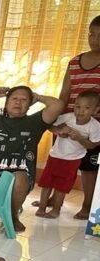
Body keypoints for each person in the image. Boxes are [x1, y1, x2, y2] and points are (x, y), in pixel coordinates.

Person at [0, 86, 64, 232]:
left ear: (30, 104)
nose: (18, 103)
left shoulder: (36, 122)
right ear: (7, 101)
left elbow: (58, 105)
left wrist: (38, 96)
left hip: (18, 177)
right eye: (14, 99)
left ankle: (12, 216)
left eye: (24, 100)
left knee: (19, 178)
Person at [39, 16, 100, 220]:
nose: (95, 39)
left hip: (93, 125)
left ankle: (87, 206)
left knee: (89, 168)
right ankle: (54, 200)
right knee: (61, 162)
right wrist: (59, 120)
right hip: (70, 121)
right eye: (92, 34)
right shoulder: (75, 62)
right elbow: (65, 92)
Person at [36, 91, 100, 219]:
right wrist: (59, 131)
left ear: (95, 110)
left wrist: (79, 138)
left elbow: (92, 145)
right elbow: (50, 126)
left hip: (72, 160)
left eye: (86, 108)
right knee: (46, 183)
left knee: (61, 186)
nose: (80, 111)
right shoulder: (67, 117)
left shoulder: (95, 126)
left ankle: (56, 209)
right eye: (77, 106)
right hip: (55, 156)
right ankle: (41, 207)